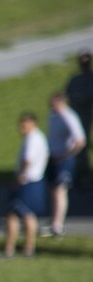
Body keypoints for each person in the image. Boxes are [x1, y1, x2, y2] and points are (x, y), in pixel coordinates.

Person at [1, 112, 49, 259]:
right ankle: (27, 248)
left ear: (32, 123)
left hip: (27, 181)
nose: (21, 128)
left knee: (16, 214)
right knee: (26, 215)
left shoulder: (32, 139)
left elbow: (27, 160)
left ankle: (11, 249)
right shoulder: (39, 138)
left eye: (24, 124)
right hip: (35, 180)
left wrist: (21, 175)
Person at [46, 92, 87, 237]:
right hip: (53, 157)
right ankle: (53, 220)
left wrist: (66, 155)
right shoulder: (53, 115)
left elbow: (80, 140)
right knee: (53, 190)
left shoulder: (68, 116)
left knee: (60, 190)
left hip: (63, 159)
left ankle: (58, 225)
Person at [65, 50, 93, 188]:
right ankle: (80, 175)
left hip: (88, 114)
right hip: (79, 117)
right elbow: (67, 96)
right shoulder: (75, 80)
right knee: (78, 146)